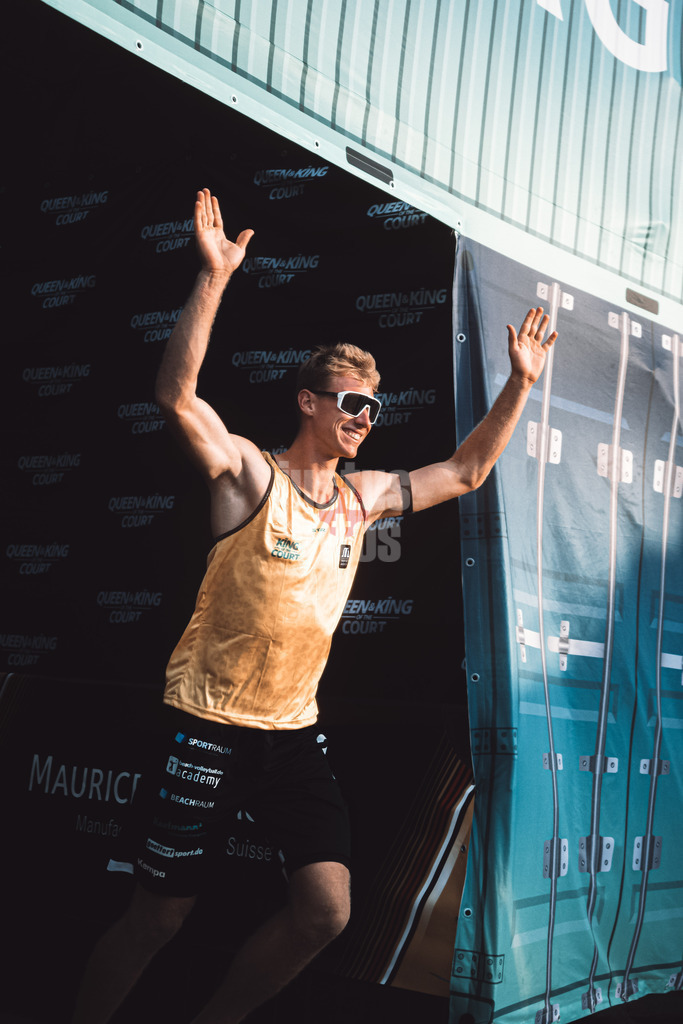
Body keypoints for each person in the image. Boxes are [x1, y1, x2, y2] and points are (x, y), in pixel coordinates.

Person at [71, 188, 557, 1024]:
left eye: (373, 406)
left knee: (326, 912)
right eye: (349, 402)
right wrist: (216, 276)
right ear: (308, 402)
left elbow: (465, 472)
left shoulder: (361, 498)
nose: (364, 418)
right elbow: (177, 399)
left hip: (292, 733)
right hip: (207, 721)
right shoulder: (251, 476)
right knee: (158, 915)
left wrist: (518, 385)